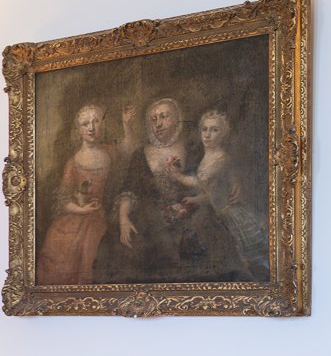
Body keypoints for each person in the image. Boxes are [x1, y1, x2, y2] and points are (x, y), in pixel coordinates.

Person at [96, 97, 240, 282]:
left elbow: (215, 167)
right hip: (150, 215)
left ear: (176, 119)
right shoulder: (140, 153)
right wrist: (123, 218)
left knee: (205, 237)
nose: (158, 123)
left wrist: (234, 180)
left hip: (190, 209)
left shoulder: (193, 147)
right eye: (154, 119)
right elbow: (129, 189)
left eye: (164, 116)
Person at [170, 108, 268, 279]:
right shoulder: (207, 155)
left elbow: (199, 181)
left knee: (241, 257)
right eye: (204, 129)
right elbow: (213, 191)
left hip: (227, 214)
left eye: (214, 130)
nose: (207, 135)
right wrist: (195, 199)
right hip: (216, 207)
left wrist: (177, 176)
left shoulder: (221, 158)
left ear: (223, 134)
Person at [35, 103, 114, 285]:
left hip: (99, 216)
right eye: (85, 124)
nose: (91, 128)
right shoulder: (73, 162)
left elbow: (128, 149)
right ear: (78, 130)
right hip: (77, 214)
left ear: (102, 125)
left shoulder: (110, 151)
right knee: (56, 242)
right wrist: (82, 210)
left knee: (89, 249)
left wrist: (127, 125)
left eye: (95, 122)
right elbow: (62, 198)